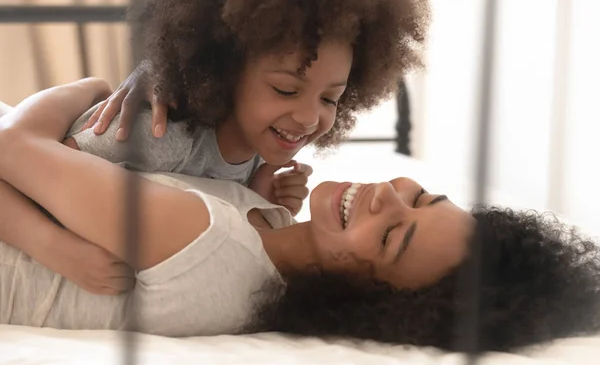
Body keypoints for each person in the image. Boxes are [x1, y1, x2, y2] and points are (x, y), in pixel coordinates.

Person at [1, 80, 600, 352]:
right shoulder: (268, 222)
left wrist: (94, 89)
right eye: (419, 196)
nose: (385, 196)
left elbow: (12, 146)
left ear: (367, 296)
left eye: (391, 235)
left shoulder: (210, 250)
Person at [65, 0, 430, 217]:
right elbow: (32, 170)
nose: (307, 117)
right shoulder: (163, 134)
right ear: (223, 68)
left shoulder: (260, 156)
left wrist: (257, 202)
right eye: (286, 90)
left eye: (329, 98)